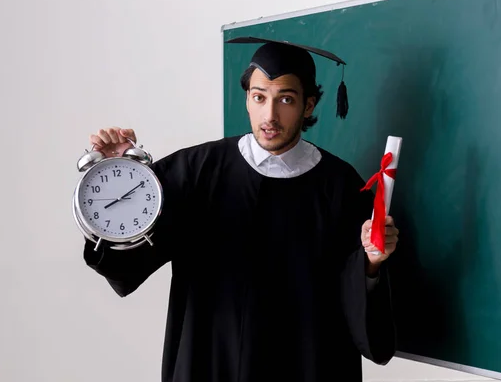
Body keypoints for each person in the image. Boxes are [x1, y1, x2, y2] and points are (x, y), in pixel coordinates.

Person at [83, 37, 399, 382]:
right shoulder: (197, 170)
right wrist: (124, 176)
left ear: (308, 106)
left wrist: (370, 262)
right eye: (259, 97)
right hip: (210, 357)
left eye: (286, 100)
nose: (270, 115)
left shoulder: (341, 186)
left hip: (305, 361)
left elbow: (354, 288)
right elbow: (131, 248)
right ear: (247, 99)